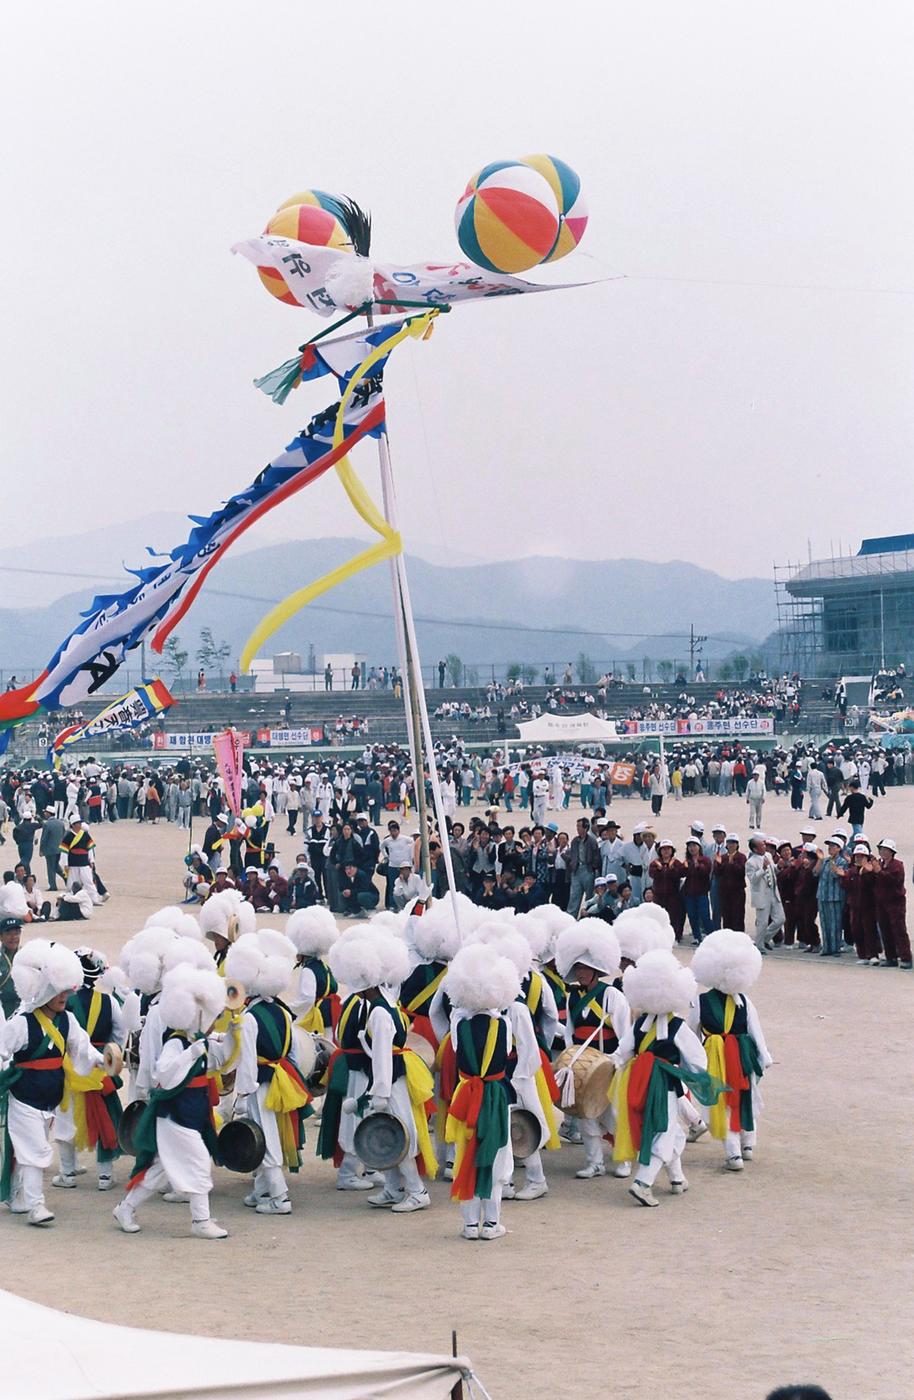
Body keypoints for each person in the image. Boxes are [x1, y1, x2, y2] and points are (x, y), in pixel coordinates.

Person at [113, 965, 236, 1239]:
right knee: (199, 1162)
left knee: (161, 1170)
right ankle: (200, 1220)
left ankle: (125, 1208)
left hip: (191, 1114)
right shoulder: (177, 1043)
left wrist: (235, 1031)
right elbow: (164, 1075)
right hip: (174, 1116)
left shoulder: (199, 1041)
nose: (214, 1022)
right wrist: (190, 1054)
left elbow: (225, 1059)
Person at [0, 940, 104, 1225]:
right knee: (35, 1150)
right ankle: (36, 1206)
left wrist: (103, 1060)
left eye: (66, 990)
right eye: (57, 990)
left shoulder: (68, 1020)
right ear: (42, 988)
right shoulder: (22, 1023)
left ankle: (16, 1195)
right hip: (24, 1097)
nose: (64, 996)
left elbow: (82, 1049)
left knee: (27, 1149)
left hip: (50, 1100)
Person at [612, 950, 720, 1208]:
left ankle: (677, 1178)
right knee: (664, 1131)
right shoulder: (677, 1027)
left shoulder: (639, 1025)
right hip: (663, 1085)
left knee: (673, 1131)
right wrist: (685, 1073)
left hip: (637, 1082)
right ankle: (643, 1183)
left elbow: (622, 1053)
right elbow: (698, 1060)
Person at [227, 930, 312, 1215]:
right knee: (269, 1132)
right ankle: (261, 1190)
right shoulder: (283, 1011)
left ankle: (279, 1196)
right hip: (284, 1079)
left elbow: (247, 1061)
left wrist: (243, 1094)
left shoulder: (248, 1018)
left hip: (260, 1083)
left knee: (264, 1136)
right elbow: (294, 1051)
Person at [442, 943, 519, 1240]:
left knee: (466, 1154)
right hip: (495, 1096)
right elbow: (508, 1053)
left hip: (465, 1096)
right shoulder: (504, 1025)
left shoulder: (459, 1026)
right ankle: (491, 1224)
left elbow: (455, 1036)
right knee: (496, 1156)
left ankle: (470, 1224)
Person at [554, 921, 631, 1180]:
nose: (580, 973)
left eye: (584, 968)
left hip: (608, 1064)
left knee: (613, 1114)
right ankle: (594, 1162)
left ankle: (623, 1158)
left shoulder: (612, 996)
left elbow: (625, 1035)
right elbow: (569, 1031)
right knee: (585, 1113)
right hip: (581, 1064)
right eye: (577, 968)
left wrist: (615, 1061)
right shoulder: (573, 997)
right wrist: (571, 1060)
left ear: (595, 970)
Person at [691, 929, 772, 1171]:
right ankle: (743, 1145)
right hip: (737, 1056)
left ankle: (737, 1150)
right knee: (741, 1097)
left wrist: (691, 1062)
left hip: (722, 1058)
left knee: (724, 1102)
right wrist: (763, 1055)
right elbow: (755, 1031)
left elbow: (691, 1034)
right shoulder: (743, 1001)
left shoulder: (702, 1002)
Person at [53, 948, 124, 1191]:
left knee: (65, 1117)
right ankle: (105, 1176)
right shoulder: (109, 1001)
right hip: (100, 1066)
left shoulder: (61, 1002)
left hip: (68, 1067)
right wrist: (108, 1054)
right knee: (103, 1118)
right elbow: (120, 1034)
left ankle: (68, 1173)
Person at [873, 838, 912, 968]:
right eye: (881, 849)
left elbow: (894, 881)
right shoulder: (879, 864)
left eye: (885, 850)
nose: (882, 852)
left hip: (895, 903)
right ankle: (891, 957)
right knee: (885, 930)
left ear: (892, 852)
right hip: (881, 902)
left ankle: (906, 957)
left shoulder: (897, 865)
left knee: (899, 930)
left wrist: (880, 872)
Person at [746, 835, 784, 953]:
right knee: (762, 922)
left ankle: (763, 939)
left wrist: (779, 867)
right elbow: (753, 879)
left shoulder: (768, 855)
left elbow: (772, 871)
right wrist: (762, 869)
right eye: (762, 845)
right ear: (755, 849)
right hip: (762, 894)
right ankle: (760, 946)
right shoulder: (750, 862)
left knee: (780, 919)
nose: (765, 847)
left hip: (773, 891)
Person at [814, 835, 848, 957]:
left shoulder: (842, 862)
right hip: (823, 895)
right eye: (829, 846)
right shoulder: (825, 861)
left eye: (833, 846)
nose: (830, 848)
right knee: (824, 923)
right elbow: (815, 873)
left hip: (835, 896)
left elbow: (836, 875)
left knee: (835, 924)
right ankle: (826, 947)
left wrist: (833, 863)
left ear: (839, 848)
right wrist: (820, 860)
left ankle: (835, 948)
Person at [59, 817, 102, 906]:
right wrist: (65, 864)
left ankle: (94, 899)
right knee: (72, 882)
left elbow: (90, 849)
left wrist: (91, 860)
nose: (79, 825)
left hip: (84, 862)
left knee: (88, 881)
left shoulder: (85, 835)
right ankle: (70, 899)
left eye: (80, 823)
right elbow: (64, 852)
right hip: (73, 863)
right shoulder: (68, 836)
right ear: (73, 825)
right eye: (77, 823)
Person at [565, 817, 601, 918]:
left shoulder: (592, 841)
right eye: (577, 826)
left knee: (589, 896)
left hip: (587, 869)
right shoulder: (575, 841)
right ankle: (571, 917)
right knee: (574, 896)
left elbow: (596, 856)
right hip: (576, 870)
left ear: (585, 827)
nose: (578, 828)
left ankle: (588, 916)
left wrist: (593, 867)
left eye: (580, 826)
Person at [715, 834, 747, 931]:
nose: (731, 845)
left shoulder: (741, 857)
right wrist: (719, 864)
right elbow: (717, 873)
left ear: (737, 845)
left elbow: (742, 872)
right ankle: (728, 935)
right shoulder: (723, 857)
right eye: (729, 843)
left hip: (738, 891)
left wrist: (733, 864)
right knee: (726, 915)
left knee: (738, 916)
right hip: (724, 891)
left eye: (733, 843)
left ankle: (739, 935)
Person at [0, 915, 23, 1018]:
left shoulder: (27, 956)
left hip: (23, 1009)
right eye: (8, 933)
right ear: (1, 937)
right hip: (3, 1009)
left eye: (16, 933)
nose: (13, 937)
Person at [39, 810, 65, 892]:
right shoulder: (61, 823)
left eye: (46, 812)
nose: (44, 813)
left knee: (50, 868)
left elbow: (44, 838)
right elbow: (63, 835)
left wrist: (41, 850)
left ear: (48, 813)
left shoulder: (47, 824)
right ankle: (66, 878)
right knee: (56, 866)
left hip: (49, 849)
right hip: (59, 849)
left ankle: (53, 886)